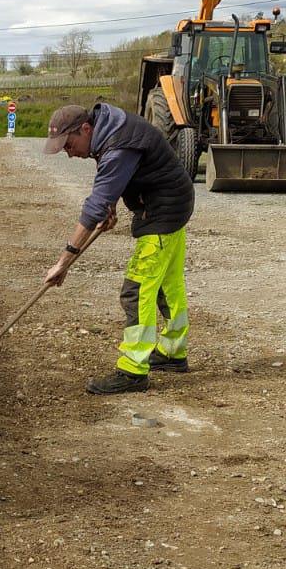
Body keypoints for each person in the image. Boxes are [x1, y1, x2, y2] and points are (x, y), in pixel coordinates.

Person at [43, 101, 194, 395]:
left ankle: (133, 370)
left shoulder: (117, 144)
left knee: (137, 290)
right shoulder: (109, 130)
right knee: (167, 285)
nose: (69, 154)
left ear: (85, 129)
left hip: (163, 211)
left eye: (69, 145)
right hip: (174, 202)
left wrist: (64, 261)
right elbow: (114, 180)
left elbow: (94, 206)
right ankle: (173, 351)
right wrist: (111, 206)